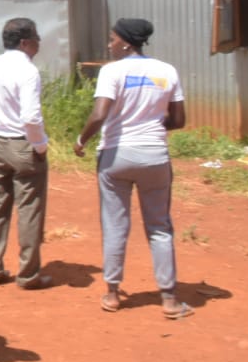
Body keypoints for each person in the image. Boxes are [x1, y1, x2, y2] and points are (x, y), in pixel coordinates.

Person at [74, 18, 193, 319]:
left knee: (115, 225)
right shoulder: (167, 71)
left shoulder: (112, 71)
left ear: (126, 43)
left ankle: (113, 294)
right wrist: (151, 126)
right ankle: (169, 299)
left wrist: (81, 140)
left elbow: (99, 114)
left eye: (112, 39)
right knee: (160, 227)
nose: (109, 44)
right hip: (155, 157)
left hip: (116, 157)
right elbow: (179, 120)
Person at [0, 17, 52, 290]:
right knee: (30, 210)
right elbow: (31, 117)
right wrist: (40, 146)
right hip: (22, 144)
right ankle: (28, 274)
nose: (39, 43)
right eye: (36, 38)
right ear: (25, 42)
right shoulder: (28, 71)